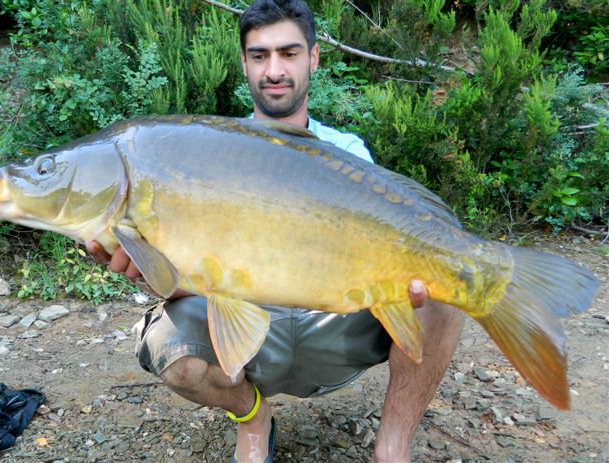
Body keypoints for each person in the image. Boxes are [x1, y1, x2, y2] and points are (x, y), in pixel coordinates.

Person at [87, 1, 465, 462]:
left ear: (314, 57)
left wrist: (402, 286)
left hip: (329, 329)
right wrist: (157, 273)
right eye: (260, 55)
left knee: (446, 288)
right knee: (171, 348)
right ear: (244, 63)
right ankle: (253, 420)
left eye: (288, 53)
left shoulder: (346, 153)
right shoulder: (208, 155)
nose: (274, 70)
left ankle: (392, 445)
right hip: (249, 328)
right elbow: (193, 283)